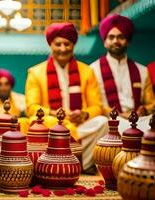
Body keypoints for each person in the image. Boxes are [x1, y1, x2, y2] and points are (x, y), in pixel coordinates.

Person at [25, 22, 107, 173]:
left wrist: (84, 114)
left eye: (67, 44)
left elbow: (97, 106)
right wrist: (55, 114)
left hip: (78, 124)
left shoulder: (87, 71)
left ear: (73, 45)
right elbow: (32, 108)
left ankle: (84, 165)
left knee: (102, 122)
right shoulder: (36, 72)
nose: (63, 49)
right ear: (51, 45)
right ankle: (57, 164)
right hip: (51, 124)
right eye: (58, 44)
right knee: (46, 123)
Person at [90, 14, 155, 133]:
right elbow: (95, 104)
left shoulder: (142, 71)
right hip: (109, 120)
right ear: (105, 42)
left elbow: (151, 103)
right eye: (111, 37)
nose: (115, 41)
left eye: (120, 37)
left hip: (138, 120)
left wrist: (144, 109)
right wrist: (119, 114)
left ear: (128, 41)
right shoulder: (93, 70)